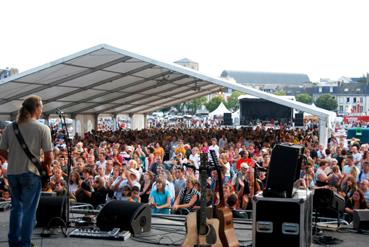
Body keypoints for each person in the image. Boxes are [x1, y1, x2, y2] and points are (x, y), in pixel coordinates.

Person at [0, 95, 53, 247]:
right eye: (41, 106)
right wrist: (43, 165)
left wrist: (14, 158)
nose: (42, 110)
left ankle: (14, 242)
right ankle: (24, 244)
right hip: (31, 174)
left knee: (17, 209)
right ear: (35, 108)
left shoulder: (11, 127)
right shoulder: (42, 128)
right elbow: (49, 156)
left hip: (13, 173)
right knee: (29, 212)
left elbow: (1, 150)